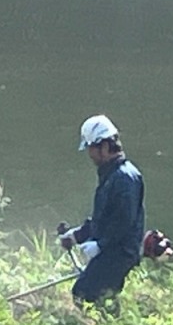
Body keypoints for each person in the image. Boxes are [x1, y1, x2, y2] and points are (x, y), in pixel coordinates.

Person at [58, 114, 146, 308]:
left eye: (91, 148)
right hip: (111, 249)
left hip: (120, 252)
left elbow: (123, 222)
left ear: (104, 147)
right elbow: (104, 219)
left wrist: (100, 245)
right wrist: (77, 235)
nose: (90, 154)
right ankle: (110, 321)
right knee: (98, 295)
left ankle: (100, 323)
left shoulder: (124, 178)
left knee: (84, 293)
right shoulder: (112, 175)